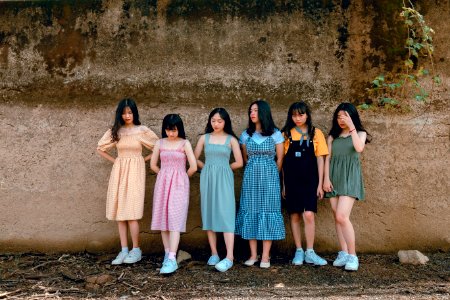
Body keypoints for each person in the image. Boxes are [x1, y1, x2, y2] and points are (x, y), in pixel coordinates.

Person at [97, 98, 158, 265]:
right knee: (120, 214)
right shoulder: (116, 131)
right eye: (124, 113)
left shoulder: (141, 130)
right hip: (120, 170)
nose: (127, 115)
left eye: (130, 112)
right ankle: (124, 250)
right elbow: (100, 148)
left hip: (136, 172)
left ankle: (136, 249)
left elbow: (158, 146)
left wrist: (143, 159)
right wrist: (116, 161)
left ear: (134, 113)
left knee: (132, 212)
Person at [235, 99, 285, 269]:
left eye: (255, 110)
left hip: (270, 178)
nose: (252, 113)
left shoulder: (275, 134)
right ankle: (253, 254)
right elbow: (245, 158)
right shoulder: (245, 135)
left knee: (267, 210)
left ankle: (265, 256)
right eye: (250, 111)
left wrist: (270, 174)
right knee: (251, 210)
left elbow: (280, 159)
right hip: (250, 178)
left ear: (263, 112)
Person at [194, 108, 243, 272]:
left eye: (219, 121)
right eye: (213, 120)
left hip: (224, 178)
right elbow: (194, 159)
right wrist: (206, 167)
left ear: (225, 122)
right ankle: (214, 253)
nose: (216, 124)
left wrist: (225, 168)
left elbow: (239, 162)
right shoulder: (204, 138)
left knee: (226, 213)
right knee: (208, 212)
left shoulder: (231, 140)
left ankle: (229, 256)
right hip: (207, 178)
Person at [323, 102, 370, 271]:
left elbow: (359, 148)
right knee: (337, 217)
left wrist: (351, 128)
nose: (341, 119)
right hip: (334, 177)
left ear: (352, 117)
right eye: (338, 116)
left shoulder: (360, 133)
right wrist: (325, 179)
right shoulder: (332, 137)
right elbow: (327, 159)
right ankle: (343, 252)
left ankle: (352, 255)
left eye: (345, 116)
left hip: (350, 177)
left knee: (342, 216)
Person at [281, 101, 328, 266]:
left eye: (301, 114)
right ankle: (299, 251)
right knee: (294, 215)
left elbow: (320, 159)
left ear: (307, 115)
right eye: (294, 115)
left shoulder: (317, 133)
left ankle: (310, 251)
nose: (297, 118)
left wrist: (320, 183)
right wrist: (284, 185)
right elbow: (284, 163)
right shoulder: (286, 134)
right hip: (292, 180)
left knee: (308, 214)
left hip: (310, 181)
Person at [150, 114, 197, 274]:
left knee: (175, 220)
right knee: (164, 220)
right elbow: (153, 165)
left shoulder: (185, 143)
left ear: (179, 129)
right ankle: (167, 253)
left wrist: (181, 177)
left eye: (174, 130)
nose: (171, 133)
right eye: (168, 130)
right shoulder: (160, 143)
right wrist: (164, 174)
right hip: (162, 184)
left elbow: (193, 166)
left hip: (179, 185)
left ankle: (172, 258)